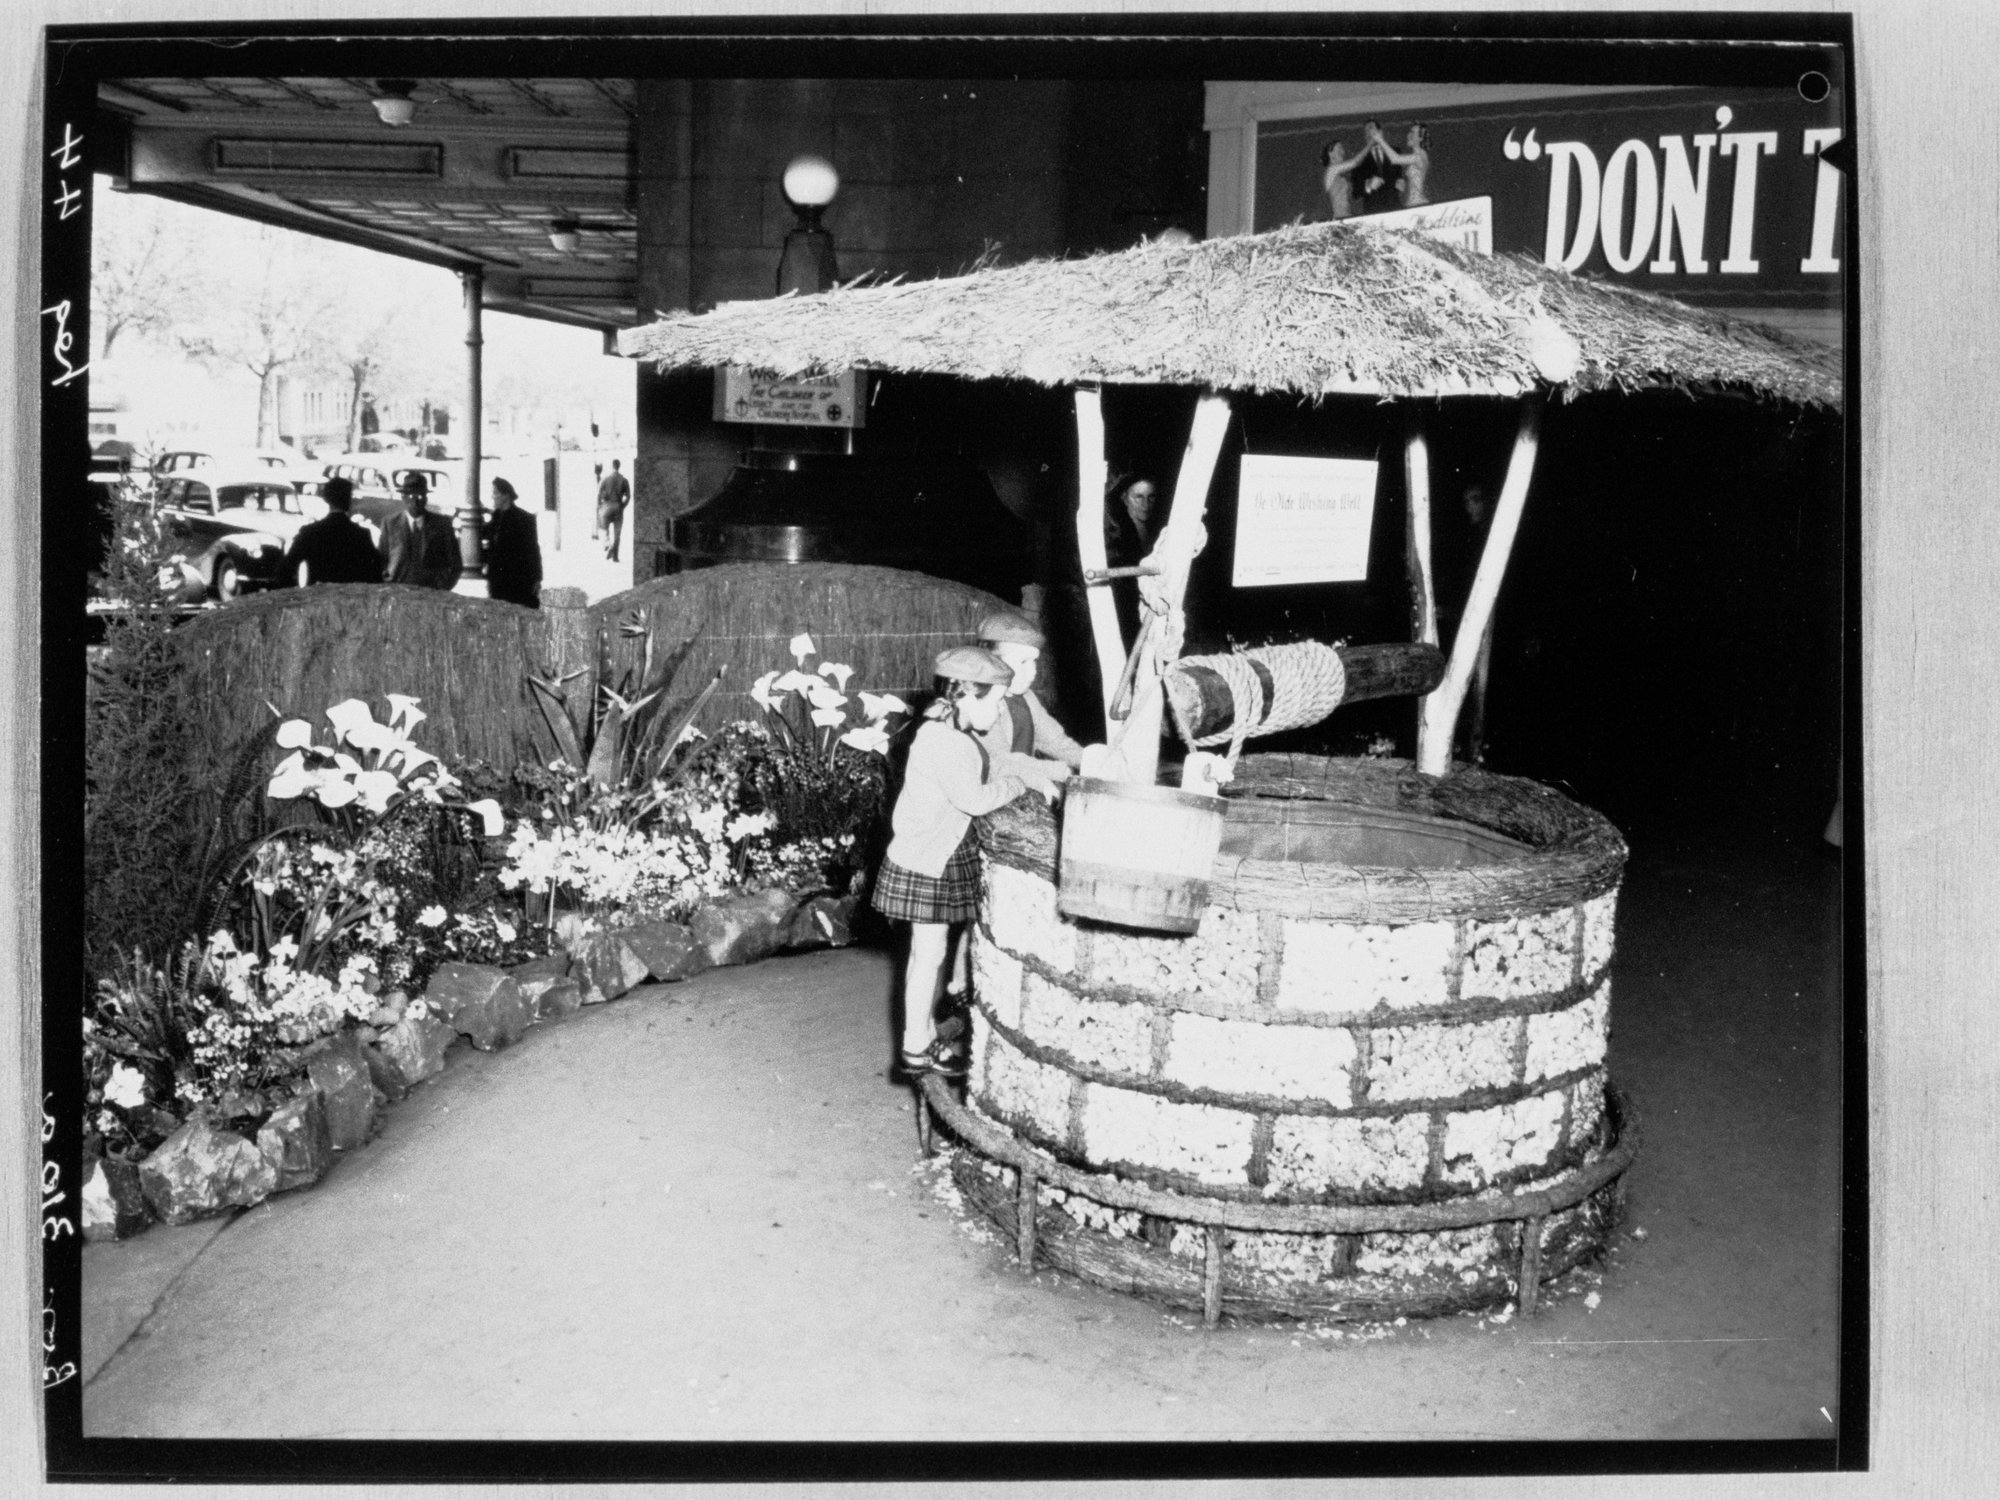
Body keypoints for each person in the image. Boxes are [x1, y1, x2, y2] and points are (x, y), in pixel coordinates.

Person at [871, 646, 1049, 1078]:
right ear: (967, 697)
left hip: (937, 853)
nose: (1000, 709)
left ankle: (923, 1035)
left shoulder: (946, 732)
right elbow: (974, 799)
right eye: (996, 700)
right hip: (928, 861)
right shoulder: (947, 742)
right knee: (926, 954)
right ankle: (916, 1046)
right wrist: (1019, 782)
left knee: (926, 955)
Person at [282, 476, 381, 587]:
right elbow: (375, 574)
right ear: (349, 500)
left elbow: (285, 569)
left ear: (326, 499)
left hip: (317, 598)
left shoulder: (309, 533)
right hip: (349, 599)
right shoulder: (361, 535)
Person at [1104, 473, 1165, 646]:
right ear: (1124, 499)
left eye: (1151, 497)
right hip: (1127, 617)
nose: (1145, 505)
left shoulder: (1159, 532)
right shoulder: (1116, 536)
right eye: (1138, 497)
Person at [377, 471, 461, 590]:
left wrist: (441, 588)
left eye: (420, 496)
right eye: (411, 497)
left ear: (426, 499)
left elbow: (455, 564)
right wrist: (388, 583)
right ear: (403, 498)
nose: (416, 501)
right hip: (398, 591)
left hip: (431, 593)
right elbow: (381, 560)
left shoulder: (442, 525)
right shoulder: (390, 524)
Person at [481, 476, 542, 608]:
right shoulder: (496, 517)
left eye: (495, 493)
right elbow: (486, 537)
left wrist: (537, 577)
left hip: (518, 578)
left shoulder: (524, 519)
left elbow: (533, 550)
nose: (492, 497)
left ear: (506, 496)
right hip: (497, 579)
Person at [1374, 122, 1432, 207]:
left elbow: (1395, 159)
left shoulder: (1418, 157)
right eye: (1409, 132)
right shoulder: (1420, 156)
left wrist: (1380, 140)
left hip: (1417, 203)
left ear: (1420, 138)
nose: (1408, 135)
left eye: (1412, 132)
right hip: (1414, 203)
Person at [595, 458, 630, 562]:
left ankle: (608, 544)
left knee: (603, 528)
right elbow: (628, 496)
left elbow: (599, 493)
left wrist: (599, 506)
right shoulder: (624, 480)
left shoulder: (606, 478)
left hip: (606, 507)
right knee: (617, 534)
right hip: (618, 507)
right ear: (619, 466)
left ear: (612, 466)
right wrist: (623, 506)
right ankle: (615, 557)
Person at [1321, 141, 1363, 220]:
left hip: (1346, 216)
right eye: (1339, 148)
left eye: (1343, 149)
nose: (1343, 152)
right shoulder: (1331, 170)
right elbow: (1355, 162)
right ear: (1331, 153)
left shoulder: (1338, 177)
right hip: (1338, 218)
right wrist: (1371, 143)